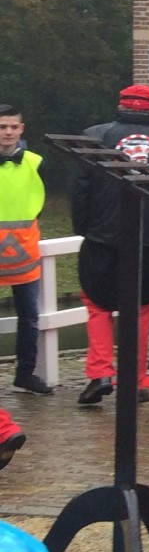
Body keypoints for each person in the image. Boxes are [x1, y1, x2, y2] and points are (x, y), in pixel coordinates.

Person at [72, 85, 149, 406]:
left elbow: (80, 190)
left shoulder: (94, 136)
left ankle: (100, 373)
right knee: (142, 308)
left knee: (97, 304)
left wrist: (83, 228)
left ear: (121, 105)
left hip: (104, 237)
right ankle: (133, 382)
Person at [0, 107, 48, 397]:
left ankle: (25, 374)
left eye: (13, 127)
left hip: (24, 252)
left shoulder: (35, 162)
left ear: (21, 129)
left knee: (29, 316)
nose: (8, 132)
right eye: (2, 126)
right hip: (20, 250)